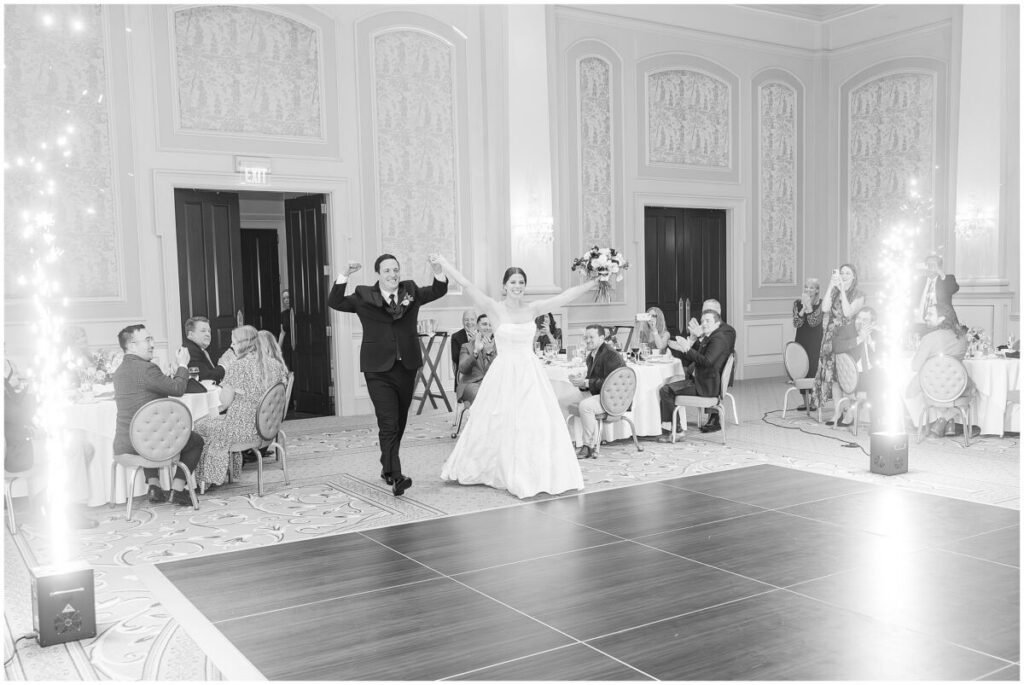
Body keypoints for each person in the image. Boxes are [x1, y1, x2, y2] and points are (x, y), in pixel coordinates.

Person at [434, 255, 599, 498]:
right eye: (513, 281)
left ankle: (533, 472)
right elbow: (468, 285)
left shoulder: (533, 308)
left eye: (521, 281)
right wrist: (444, 265)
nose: (517, 285)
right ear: (505, 285)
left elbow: (563, 297)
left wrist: (593, 283)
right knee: (500, 420)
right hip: (505, 372)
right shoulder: (494, 307)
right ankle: (497, 467)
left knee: (533, 422)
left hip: (530, 371)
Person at [328, 253, 449, 496]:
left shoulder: (411, 292)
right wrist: (344, 274)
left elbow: (438, 290)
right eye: (387, 271)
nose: (393, 275)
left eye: (396, 270)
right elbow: (335, 301)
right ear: (378, 274)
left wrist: (437, 269)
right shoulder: (363, 296)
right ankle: (397, 476)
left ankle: (386, 466)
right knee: (389, 422)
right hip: (377, 369)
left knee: (400, 421)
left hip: (407, 367)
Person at [112, 324, 204, 506]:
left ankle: (154, 486)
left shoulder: (118, 373)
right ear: (131, 345)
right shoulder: (147, 369)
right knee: (196, 440)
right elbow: (178, 389)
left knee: (148, 428)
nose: (152, 344)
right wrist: (183, 365)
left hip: (125, 446)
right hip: (150, 445)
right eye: (147, 340)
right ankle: (178, 490)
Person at [194, 326, 289, 488]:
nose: (233, 347)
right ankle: (225, 472)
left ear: (243, 344)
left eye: (234, 343)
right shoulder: (275, 365)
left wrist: (213, 410)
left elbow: (224, 402)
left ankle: (205, 479)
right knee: (216, 423)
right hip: (266, 429)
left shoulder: (237, 367)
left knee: (199, 425)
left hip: (241, 431)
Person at [658, 309, 734, 439]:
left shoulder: (718, 339)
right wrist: (685, 348)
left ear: (717, 323)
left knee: (665, 390)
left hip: (705, 386)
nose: (703, 323)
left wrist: (687, 348)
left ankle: (676, 430)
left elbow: (707, 362)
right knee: (667, 387)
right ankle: (671, 428)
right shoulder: (710, 337)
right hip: (701, 381)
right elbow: (697, 358)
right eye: (702, 321)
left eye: (708, 321)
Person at [907, 303, 969, 437]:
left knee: (907, 385)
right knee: (974, 391)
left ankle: (936, 421)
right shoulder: (963, 338)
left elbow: (915, 366)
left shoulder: (929, 338)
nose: (926, 317)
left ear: (942, 318)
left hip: (931, 387)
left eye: (930, 314)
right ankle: (948, 420)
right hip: (955, 387)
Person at [563, 324, 625, 459]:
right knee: (568, 399)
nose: (588, 340)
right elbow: (594, 381)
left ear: (602, 337)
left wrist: (586, 382)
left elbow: (612, 384)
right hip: (602, 395)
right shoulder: (592, 355)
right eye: (586, 337)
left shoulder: (611, 355)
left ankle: (588, 446)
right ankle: (568, 440)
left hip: (614, 398)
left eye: (592, 337)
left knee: (586, 405)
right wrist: (581, 382)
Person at [814, 263, 866, 409]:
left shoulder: (859, 295)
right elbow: (824, 308)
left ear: (854, 276)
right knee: (834, 376)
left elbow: (848, 312)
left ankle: (849, 413)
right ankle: (837, 412)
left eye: (847, 273)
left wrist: (842, 291)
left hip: (846, 338)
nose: (843, 276)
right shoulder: (834, 291)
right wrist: (831, 285)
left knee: (845, 375)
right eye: (842, 273)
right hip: (830, 337)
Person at [829, 307, 883, 428]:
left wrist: (871, 343)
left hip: (870, 374)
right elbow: (836, 347)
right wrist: (859, 339)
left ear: (872, 323)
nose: (860, 321)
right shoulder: (846, 330)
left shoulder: (876, 333)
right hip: (853, 377)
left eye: (865, 319)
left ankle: (883, 419)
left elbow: (884, 356)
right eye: (858, 318)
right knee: (877, 386)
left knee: (887, 381)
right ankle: (876, 425)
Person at [792, 277, 824, 410]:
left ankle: (813, 401)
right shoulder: (797, 303)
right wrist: (802, 309)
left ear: (817, 290)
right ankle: (805, 402)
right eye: (806, 287)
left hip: (815, 340)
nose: (808, 290)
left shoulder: (822, 304)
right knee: (802, 369)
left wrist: (809, 307)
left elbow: (813, 322)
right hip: (801, 339)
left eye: (811, 287)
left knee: (813, 369)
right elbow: (796, 323)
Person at [913, 254, 959, 333]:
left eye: (933, 264)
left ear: (939, 267)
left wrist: (940, 272)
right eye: (927, 264)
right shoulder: (919, 281)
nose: (930, 267)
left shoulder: (946, 279)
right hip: (918, 324)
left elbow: (954, 288)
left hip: (939, 325)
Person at [456, 313, 496, 404]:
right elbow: (462, 369)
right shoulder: (466, 346)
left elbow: (501, 370)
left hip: (493, 383)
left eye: (490, 325)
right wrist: (476, 352)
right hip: (472, 384)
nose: (488, 327)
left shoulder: (498, 347)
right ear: (477, 326)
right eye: (484, 324)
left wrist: (490, 353)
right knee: (482, 397)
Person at [184, 316, 225, 383]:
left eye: (209, 331)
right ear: (191, 334)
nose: (208, 334)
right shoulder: (191, 351)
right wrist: (224, 366)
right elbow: (207, 377)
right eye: (203, 331)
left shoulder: (199, 349)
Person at [450, 309, 478, 393]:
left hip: (480, 373)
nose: (469, 322)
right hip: (464, 374)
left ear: (476, 320)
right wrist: (471, 343)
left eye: (472, 319)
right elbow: (456, 358)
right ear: (462, 321)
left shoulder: (483, 334)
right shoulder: (456, 337)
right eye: (466, 320)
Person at [278, 289, 295, 370]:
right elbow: (282, 333)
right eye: (284, 298)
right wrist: (277, 349)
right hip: (287, 345)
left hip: (297, 343)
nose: (286, 300)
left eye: (288, 297)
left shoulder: (297, 312)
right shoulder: (283, 314)